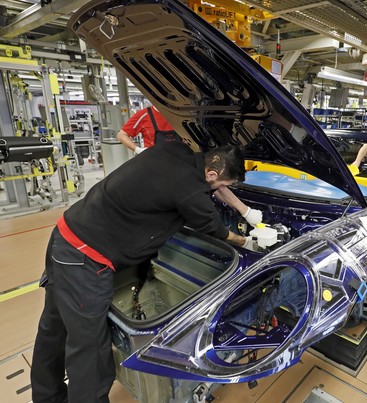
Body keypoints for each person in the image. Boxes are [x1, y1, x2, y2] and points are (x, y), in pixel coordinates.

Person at [30, 140, 259, 403]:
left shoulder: (171, 150)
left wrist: (247, 212)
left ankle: (47, 397)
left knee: (53, 331)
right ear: (211, 173)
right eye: (221, 185)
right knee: (90, 352)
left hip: (65, 239)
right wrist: (249, 241)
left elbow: (211, 187)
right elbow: (213, 227)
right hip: (86, 261)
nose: (220, 191)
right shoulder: (188, 190)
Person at [117, 106, 262, 225]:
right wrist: (138, 149)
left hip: (181, 164)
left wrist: (245, 211)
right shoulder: (145, 114)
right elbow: (121, 135)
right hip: (156, 172)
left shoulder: (183, 117)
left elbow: (214, 183)